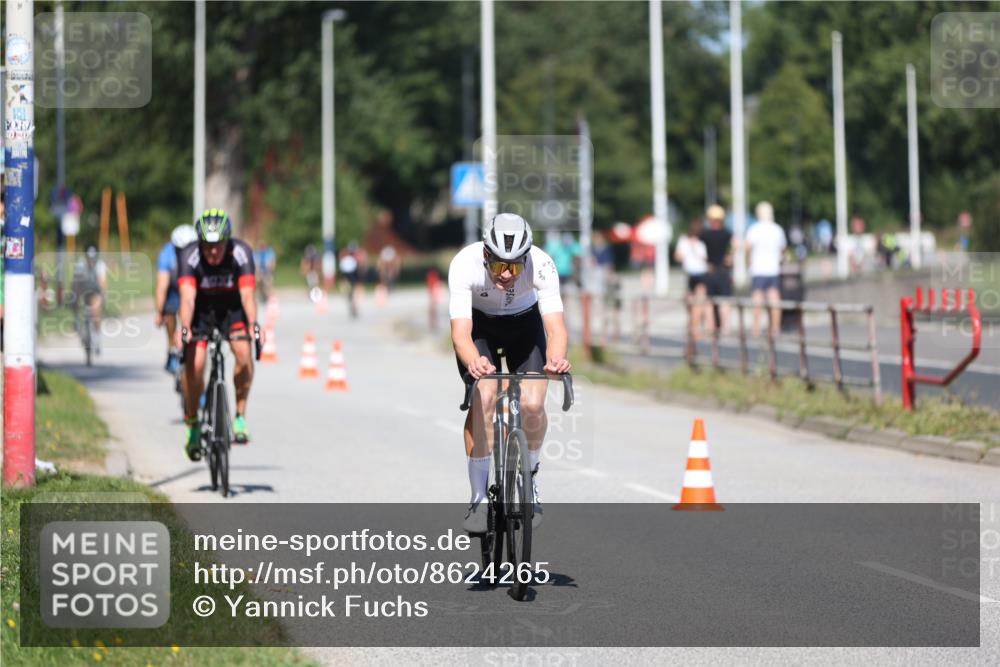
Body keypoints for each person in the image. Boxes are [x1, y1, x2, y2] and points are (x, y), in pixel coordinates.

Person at [448, 213, 571, 533]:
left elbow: (556, 329)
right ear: (485, 255)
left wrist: (556, 360)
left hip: (525, 325)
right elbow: (461, 333)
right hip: (481, 327)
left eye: (515, 267)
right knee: (484, 396)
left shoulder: (542, 264)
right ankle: (478, 497)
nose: (506, 274)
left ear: (526, 259)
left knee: (532, 404)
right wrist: (474, 361)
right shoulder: (464, 263)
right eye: (499, 265)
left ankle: (529, 479)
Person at [176, 209, 260, 459]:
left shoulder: (241, 253)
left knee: (244, 355)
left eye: (218, 246)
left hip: (232, 309)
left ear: (228, 242)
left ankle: (240, 417)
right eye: (207, 246)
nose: (213, 252)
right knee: (196, 364)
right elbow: (188, 299)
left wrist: (254, 325)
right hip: (201, 311)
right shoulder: (190, 256)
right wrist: (185, 328)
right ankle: (192, 424)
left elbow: (247, 296)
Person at [155, 224, 198, 374]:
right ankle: (172, 349)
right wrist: (160, 312)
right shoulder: (167, 254)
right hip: (174, 289)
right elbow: (162, 286)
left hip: (191, 288)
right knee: (170, 312)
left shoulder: (200, 253)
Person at [745, 202, 787, 339]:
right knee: (774, 300)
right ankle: (775, 328)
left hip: (758, 269)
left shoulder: (754, 229)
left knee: (757, 301)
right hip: (773, 268)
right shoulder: (777, 229)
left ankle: (756, 329)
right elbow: (783, 249)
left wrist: (748, 261)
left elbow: (747, 248)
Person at [674, 219, 710, 340]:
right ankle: (694, 328)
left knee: (695, 304)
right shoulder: (695, 242)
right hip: (697, 273)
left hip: (693, 274)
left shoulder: (692, 242)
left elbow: (678, 257)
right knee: (696, 304)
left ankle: (694, 328)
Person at [700, 204, 733, 333]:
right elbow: (735, 246)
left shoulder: (704, 235)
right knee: (724, 301)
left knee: (709, 301)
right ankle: (725, 328)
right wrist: (730, 257)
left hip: (710, 270)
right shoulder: (727, 234)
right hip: (723, 271)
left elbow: (700, 253)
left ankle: (710, 327)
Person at [71, 246, 108, 350]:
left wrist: (103, 296)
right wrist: (75, 297)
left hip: (95, 290)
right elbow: (76, 282)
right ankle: (77, 322)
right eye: (89, 258)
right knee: (75, 300)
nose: (91, 261)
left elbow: (103, 282)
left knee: (96, 309)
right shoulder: (81, 264)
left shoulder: (100, 265)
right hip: (83, 288)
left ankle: (97, 337)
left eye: (93, 258)